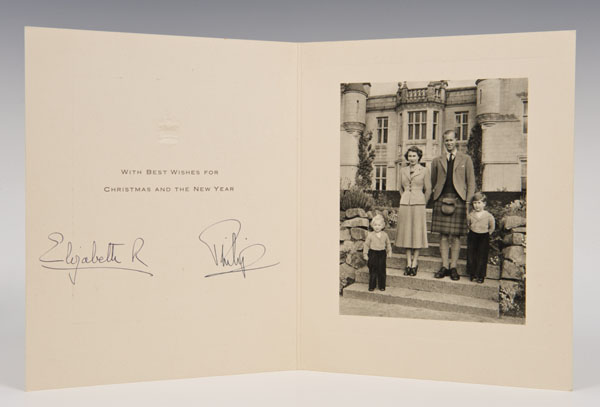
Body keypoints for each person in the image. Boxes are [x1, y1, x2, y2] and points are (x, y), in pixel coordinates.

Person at [431, 130, 476, 281]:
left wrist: (468, 202)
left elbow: (471, 183)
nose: (449, 143)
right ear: (444, 142)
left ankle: (454, 267)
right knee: (443, 235)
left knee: (456, 237)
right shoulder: (437, 160)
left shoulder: (466, 159)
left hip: (459, 200)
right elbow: (433, 181)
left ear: (456, 140)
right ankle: (444, 266)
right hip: (441, 199)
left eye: (451, 140)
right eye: (446, 141)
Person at [395, 146, 431, 276]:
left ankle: (414, 262)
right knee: (406, 233)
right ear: (407, 157)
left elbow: (428, 189)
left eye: (414, 156)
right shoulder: (402, 170)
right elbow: (400, 188)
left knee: (416, 233)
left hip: (419, 204)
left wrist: (422, 203)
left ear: (419, 157)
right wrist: (405, 197)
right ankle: (408, 263)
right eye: (409, 156)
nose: (412, 158)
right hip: (405, 204)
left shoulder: (425, 170)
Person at [466, 192, 495, 283]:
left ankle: (481, 275)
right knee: (471, 255)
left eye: (479, 203)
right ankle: (472, 274)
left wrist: (487, 234)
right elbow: (468, 225)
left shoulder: (488, 216)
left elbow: (492, 227)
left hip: (484, 237)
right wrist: (471, 231)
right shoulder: (470, 215)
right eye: (475, 203)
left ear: (484, 204)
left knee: (482, 255)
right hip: (473, 235)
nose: (477, 205)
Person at [363, 214, 392, 291]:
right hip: (373, 253)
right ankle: (372, 285)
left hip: (382, 253)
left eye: (379, 225)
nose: (377, 227)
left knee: (382, 270)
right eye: (375, 225)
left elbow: (388, 244)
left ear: (382, 226)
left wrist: (389, 252)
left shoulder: (385, 235)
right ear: (372, 225)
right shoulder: (370, 235)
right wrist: (365, 254)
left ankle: (382, 286)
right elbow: (366, 245)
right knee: (373, 270)